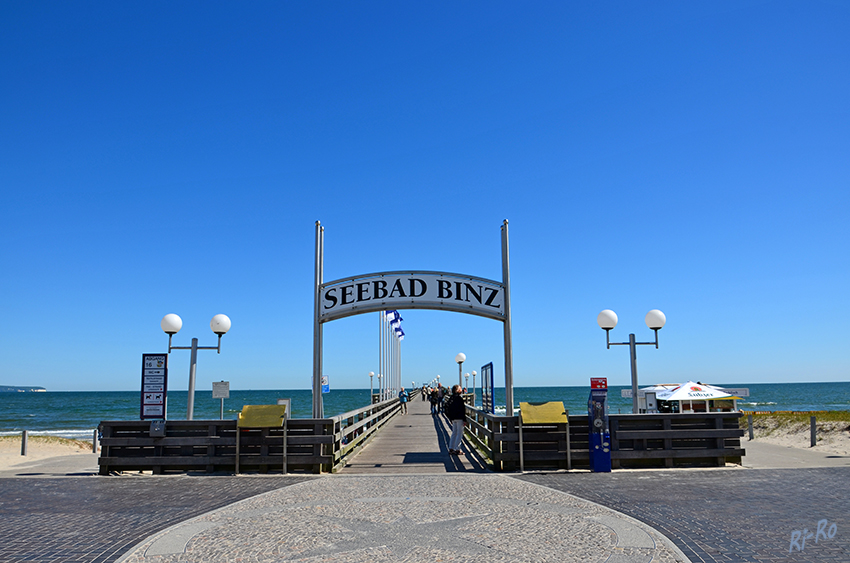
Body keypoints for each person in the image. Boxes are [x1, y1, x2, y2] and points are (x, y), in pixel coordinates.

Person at [445, 384, 466, 455]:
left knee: (454, 433)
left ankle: (451, 448)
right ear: (457, 390)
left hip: (453, 418)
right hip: (459, 418)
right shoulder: (459, 399)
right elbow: (463, 410)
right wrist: (464, 419)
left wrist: (450, 417)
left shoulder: (451, 398)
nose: (461, 390)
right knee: (459, 433)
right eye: (460, 389)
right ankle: (457, 449)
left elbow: (447, 407)